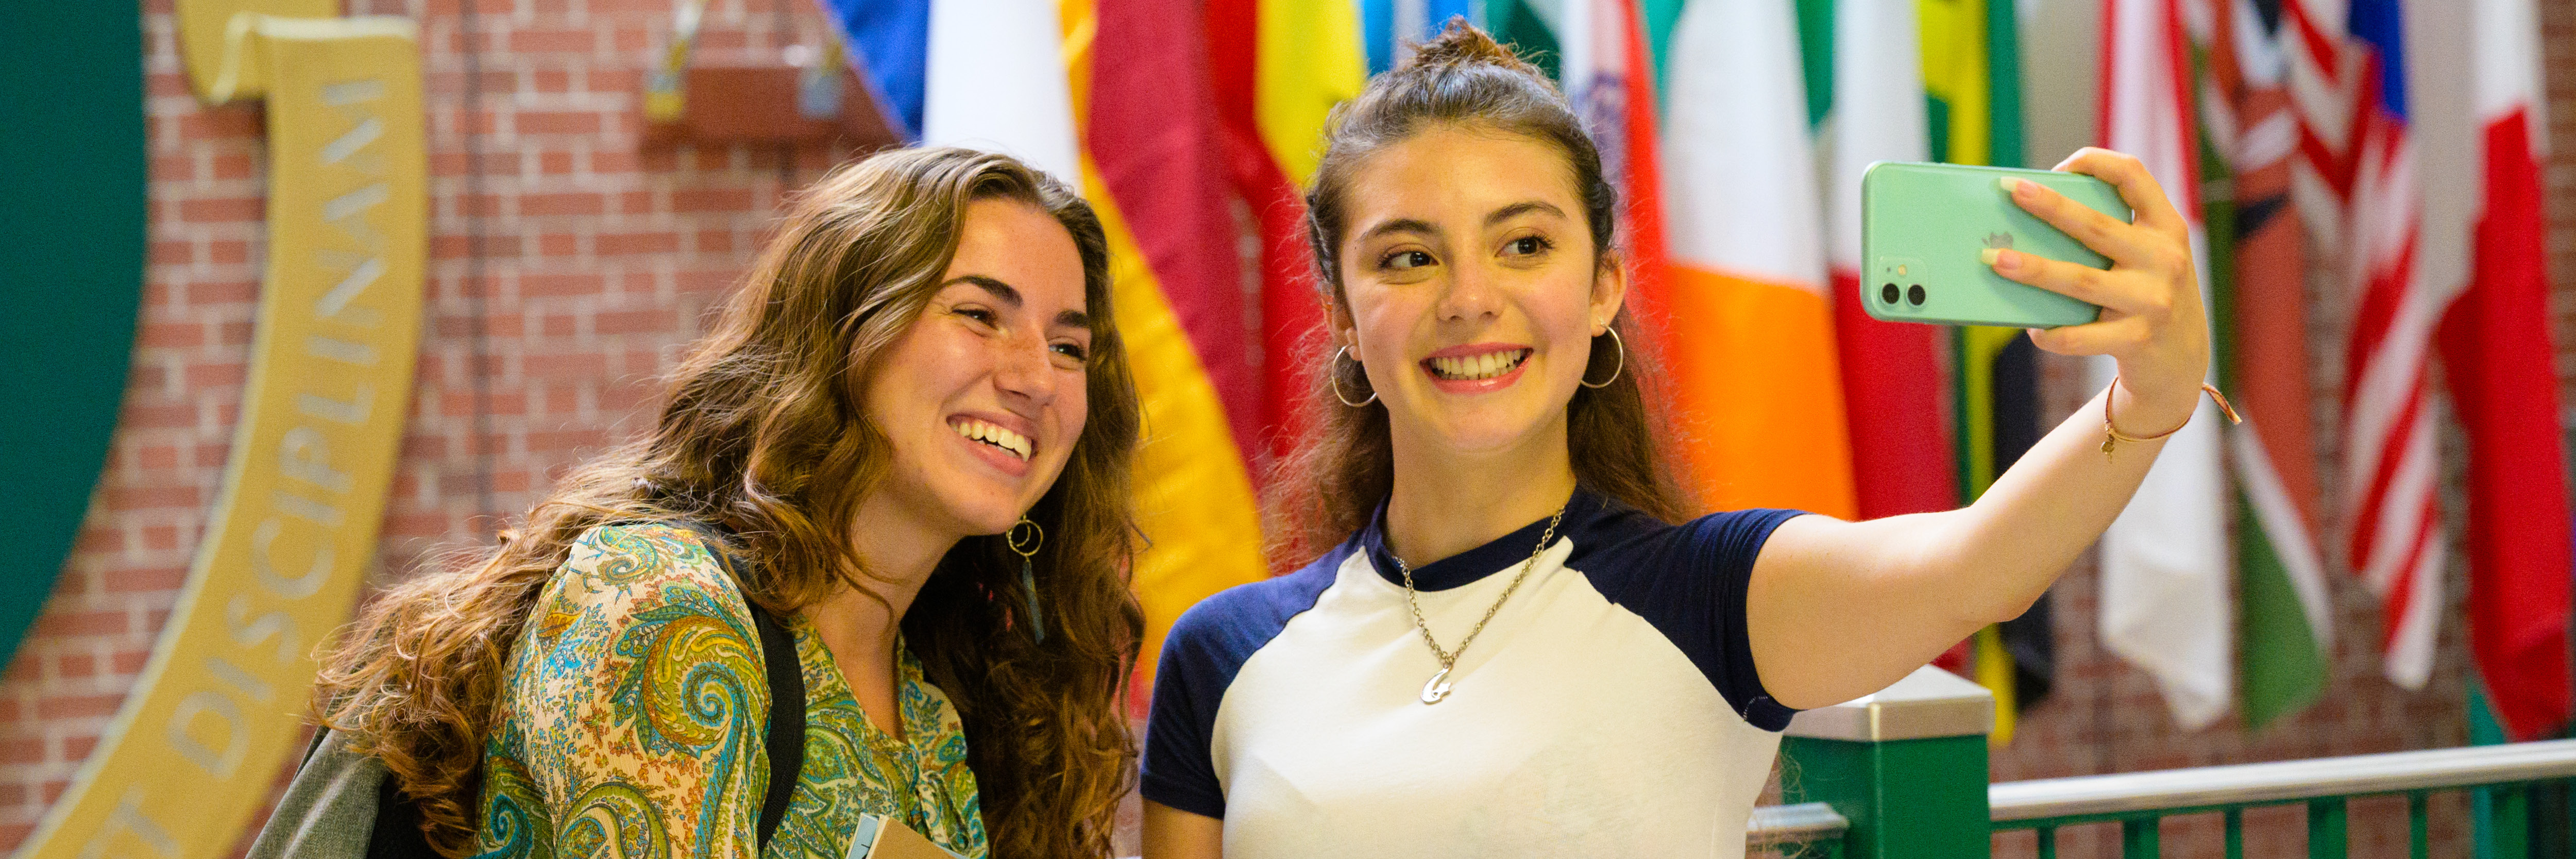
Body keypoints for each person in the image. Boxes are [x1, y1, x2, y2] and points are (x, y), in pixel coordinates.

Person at [1139, 22, 2217, 858]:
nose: (1470, 300)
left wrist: (2151, 399)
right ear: (1336, 310)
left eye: (1522, 245)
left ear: (1603, 286)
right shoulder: (1221, 656)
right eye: (1409, 259)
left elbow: (1974, 568)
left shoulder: (1710, 598)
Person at [313, 147, 1144, 859]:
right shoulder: (670, 615)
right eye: (978, 314)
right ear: (842, 330)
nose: (1036, 378)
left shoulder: (931, 712)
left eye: (1069, 347)